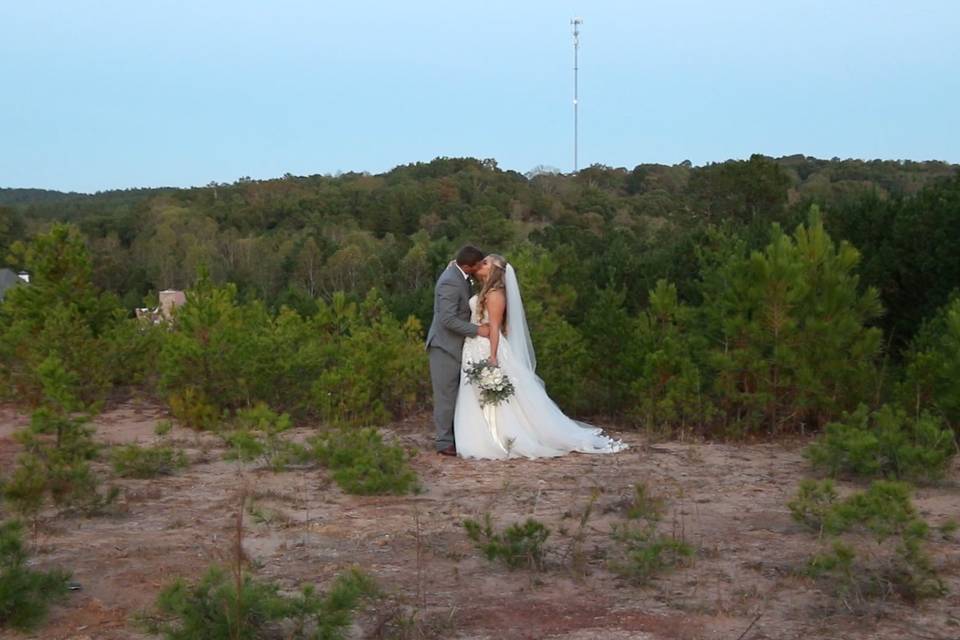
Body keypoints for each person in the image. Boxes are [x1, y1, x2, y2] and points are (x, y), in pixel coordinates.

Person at [453, 254, 627, 459]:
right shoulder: (485, 291)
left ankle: (498, 438)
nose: (481, 264)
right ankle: (478, 436)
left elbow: (495, 328)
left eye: (485, 263)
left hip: (486, 347)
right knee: (474, 394)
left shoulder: (495, 294)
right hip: (473, 346)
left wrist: (492, 357)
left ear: (495, 271)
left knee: (496, 397)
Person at [425, 245, 490, 456]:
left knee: (456, 395)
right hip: (443, 346)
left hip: (457, 346)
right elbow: (447, 319)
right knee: (446, 396)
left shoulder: (459, 275)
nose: (481, 267)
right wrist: (478, 330)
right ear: (467, 266)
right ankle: (444, 443)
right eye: (479, 265)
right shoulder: (450, 281)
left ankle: (456, 436)